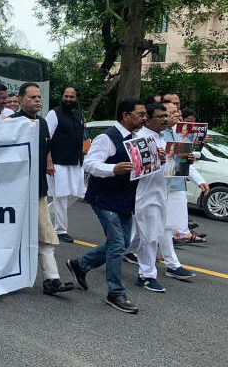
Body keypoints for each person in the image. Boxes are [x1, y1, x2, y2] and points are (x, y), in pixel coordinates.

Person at [66, 98, 147, 314]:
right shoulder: (107, 138)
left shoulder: (136, 139)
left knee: (119, 242)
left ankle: (80, 265)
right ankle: (116, 292)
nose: (144, 118)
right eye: (140, 114)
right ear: (126, 115)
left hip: (124, 199)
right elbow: (90, 164)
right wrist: (114, 169)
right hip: (104, 198)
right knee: (118, 244)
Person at [9, 83, 74, 295]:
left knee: (45, 235)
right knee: (12, 237)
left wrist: (49, 163)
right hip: (14, 192)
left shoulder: (43, 123)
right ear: (20, 100)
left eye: (39, 97)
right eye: (32, 97)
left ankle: (51, 279)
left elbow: (45, 149)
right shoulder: (10, 123)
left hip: (38, 189)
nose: (38, 100)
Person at [126, 103, 197, 293]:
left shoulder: (161, 139)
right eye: (161, 117)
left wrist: (184, 161)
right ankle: (147, 276)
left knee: (143, 236)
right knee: (150, 237)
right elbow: (138, 170)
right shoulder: (139, 139)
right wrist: (158, 159)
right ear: (148, 119)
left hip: (161, 194)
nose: (165, 120)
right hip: (145, 195)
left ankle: (101, 257)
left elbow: (172, 170)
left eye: (166, 117)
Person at [161, 102, 208, 244]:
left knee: (167, 228)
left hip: (176, 184)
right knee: (152, 227)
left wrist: (199, 181)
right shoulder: (156, 134)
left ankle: (171, 263)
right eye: (173, 112)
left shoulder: (178, 133)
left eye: (178, 112)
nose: (177, 115)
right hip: (158, 187)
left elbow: (183, 160)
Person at [46, 86, 87, 243]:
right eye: (66, 96)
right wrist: (48, 161)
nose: (68, 99)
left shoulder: (78, 114)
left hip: (76, 162)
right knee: (60, 196)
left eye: (71, 96)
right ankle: (60, 230)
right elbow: (46, 139)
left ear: (76, 98)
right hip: (58, 162)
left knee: (78, 193)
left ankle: (41, 216)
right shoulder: (54, 114)